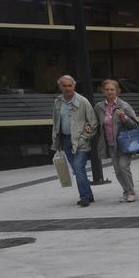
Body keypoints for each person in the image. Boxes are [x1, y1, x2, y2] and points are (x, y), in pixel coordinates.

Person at [51, 74, 97, 207]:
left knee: (78, 167)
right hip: (65, 140)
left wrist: (84, 137)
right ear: (60, 87)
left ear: (74, 86)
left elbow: (93, 123)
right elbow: (55, 122)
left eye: (70, 85)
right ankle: (89, 194)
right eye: (64, 86)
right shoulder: (58, 102)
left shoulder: (82, 101)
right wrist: (56, 140)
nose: (67, 88)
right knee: (78, 170)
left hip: (80, 140)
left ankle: (84, 197)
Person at [94, 79, 139, 202]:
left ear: (118, 91)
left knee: (123, 166)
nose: (109, 92)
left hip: (125, 144)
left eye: (112, 89)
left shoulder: (124, 106)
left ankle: (131, 192)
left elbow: (135, 126)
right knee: (117, 170)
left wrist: (124, 118)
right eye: (107, 89)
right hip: (110, 143)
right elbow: (96, 124)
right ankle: (126, 191)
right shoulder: (99, 107)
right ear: (103, 91)